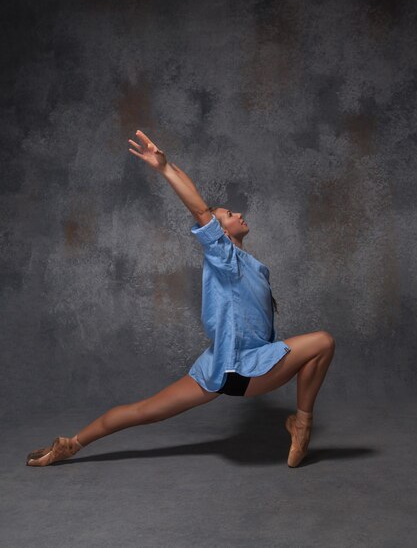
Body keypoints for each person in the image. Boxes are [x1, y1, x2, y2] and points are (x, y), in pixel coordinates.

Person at [26, 129, 335, 469]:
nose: (237, 215)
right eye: (229, 215)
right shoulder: (224, 256)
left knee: (145, 411)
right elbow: (201, 210)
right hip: (241, 368)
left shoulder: (253, 266)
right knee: (322, 342)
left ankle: (72, 444)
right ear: (221, 232)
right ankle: (301, 425)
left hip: (226, 366)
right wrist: (165, 167)